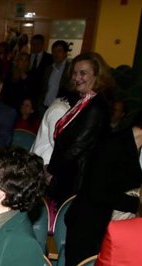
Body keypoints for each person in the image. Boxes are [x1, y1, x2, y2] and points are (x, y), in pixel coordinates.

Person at [61, 113, 142, 266]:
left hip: (108, 226)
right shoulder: (112, 144)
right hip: (87, 224)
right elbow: (98, 193)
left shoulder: (136, 147)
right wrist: (137, 205)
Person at [47, 51, 114, 206]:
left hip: (78, 179)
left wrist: (51, 171)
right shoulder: (84, 100)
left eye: (83, 73)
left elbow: (77, 147)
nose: (77, 78)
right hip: (68, 173)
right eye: (75, 73)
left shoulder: (96, 106)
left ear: (97, 75)